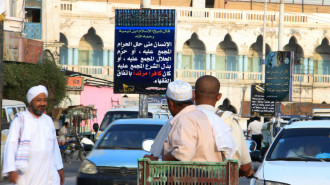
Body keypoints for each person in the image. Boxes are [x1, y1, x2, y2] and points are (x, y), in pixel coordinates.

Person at [160, 80, 236, 162]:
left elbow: (182, 155)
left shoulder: (184, 120)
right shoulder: (207, 116)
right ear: (193, 98)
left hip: (195, 174)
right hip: (213, 173)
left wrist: (159, 159)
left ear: (171, 103)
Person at [193, 75, 254, 178]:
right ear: (219, 97)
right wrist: (249, 173)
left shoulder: (179, 119)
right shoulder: (229, 121)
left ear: (193, 94)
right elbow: (245, 167)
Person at [3, 85, 65, 185]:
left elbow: (54, 148)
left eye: (45, 100)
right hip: (26, 175)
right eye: (38, 100)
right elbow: (11, 146)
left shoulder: (48, 121)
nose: (42, 103)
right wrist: (11, 170)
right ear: (31, 101)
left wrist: (59, 168)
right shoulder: (20, 120)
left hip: (47, 173)